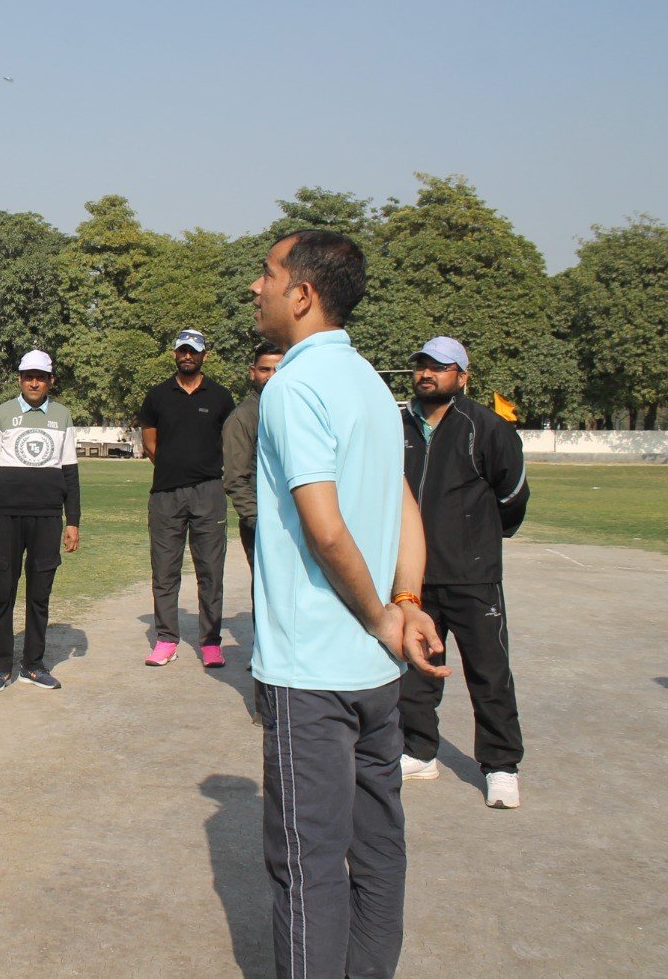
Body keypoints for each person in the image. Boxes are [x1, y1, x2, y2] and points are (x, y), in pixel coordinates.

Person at [249, 229, 449, 979]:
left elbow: (325, 527)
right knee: (378, 850)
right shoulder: (368, 380)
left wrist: (378, 613)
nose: (256, 288)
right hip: (374, 676)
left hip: (314, 673)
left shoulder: (294, 386)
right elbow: (402, 503)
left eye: (268, 274)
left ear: (302, 294)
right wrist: (407, 600)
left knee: (308, 865)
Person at [398, 336, 531, 809]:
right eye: (421, 365)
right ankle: (419, 751)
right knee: (416, 670)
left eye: (439, 366)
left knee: (488, 672)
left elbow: (513, 494)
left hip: (472, 575)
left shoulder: (486, 426)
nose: (427, 374)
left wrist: (480, 538)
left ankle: (501, 765)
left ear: (462, 377)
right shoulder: (398, 424)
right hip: (413, 574)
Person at [0, 349, 81, 693]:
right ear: (19, 379)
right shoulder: (1, 413)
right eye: (28, 377)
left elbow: (70, 471)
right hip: (6, 516)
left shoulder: (62, 415)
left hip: (48, 516)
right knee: (2, 593)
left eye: (40, 377)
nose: (34, 383)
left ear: (50, 380)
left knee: (39, 594)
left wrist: (73, 520)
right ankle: (0, 667)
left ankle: (33, 665)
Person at [138, 328, 236, 668]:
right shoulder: (157, 396)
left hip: (209, 492)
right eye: (183, 350)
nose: (188, 356)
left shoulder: (221, 397)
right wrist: (174, 467)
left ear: (204, 355)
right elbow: (150, 443)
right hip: (166, 494)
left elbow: (229, 442)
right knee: (165, 571)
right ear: (175, 354)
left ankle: (210, 642)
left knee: (211, 571)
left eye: (194, 351)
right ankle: (166, 639)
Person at [221, 341, 284, 572]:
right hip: (262, 523)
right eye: (265, 370)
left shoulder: (292, 409)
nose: (272, 376)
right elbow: (235, 478)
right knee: (264, 587)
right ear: (253, 372)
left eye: (278, 369)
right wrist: (258, 521)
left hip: (294, 520)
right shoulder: (244, 417)